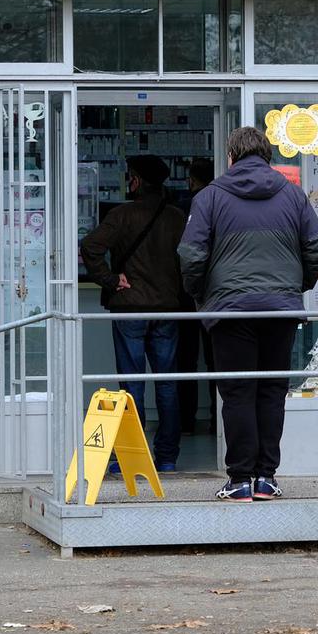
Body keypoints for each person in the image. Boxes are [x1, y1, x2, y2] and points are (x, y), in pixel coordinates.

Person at [178, 128, 318, 502]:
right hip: (280, 309)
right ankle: (266, 478)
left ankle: (240, 478)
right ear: (266, 155)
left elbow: (191, 254)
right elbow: (317, 246)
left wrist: (203, 294)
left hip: (230, 311)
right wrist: (295, 287)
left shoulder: (210, 197)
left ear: (231, 156)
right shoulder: (293, 195)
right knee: (273, 391)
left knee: (237, 392)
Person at [79, 155, 186, 472]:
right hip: (168, 309)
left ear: (137, 181)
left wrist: (110, 279)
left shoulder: (121, 215)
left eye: (130, 176)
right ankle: (167, 457)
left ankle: (131, 456)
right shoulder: (177, 217)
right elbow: (195, 256)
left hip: (130, 309)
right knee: (167, 384)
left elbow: (90, 246)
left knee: (132, 385)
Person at [176, 159, 217, 436]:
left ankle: (186, 422)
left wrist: (191, 289)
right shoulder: (222, 204)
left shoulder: (188, 207)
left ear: (192, 180)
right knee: (217, 362)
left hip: (188, 295)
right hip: (217, 295)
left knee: (186, 362)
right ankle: (218, 422)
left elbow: (189, 255)